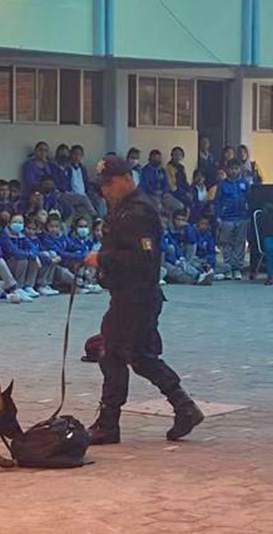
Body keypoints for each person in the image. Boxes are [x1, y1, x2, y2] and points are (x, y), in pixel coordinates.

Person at [85, 155, 203, 445]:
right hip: (130, 295)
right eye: (102, 185)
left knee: (112, 354)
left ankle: (108, 423)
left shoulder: (138, 212)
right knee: (141, 357)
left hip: (135, 297)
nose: (105, 190)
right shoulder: (123, 209)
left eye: (110, 183)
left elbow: (144, 258)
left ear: (127, 179)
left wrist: (102, 258)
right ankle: (184, 407)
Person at [211, 158, 252, 280]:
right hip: (226, 218)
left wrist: (249, 215)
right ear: (227, 170)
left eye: (236, 168)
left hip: (242, 217)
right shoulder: (222, 184)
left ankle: (237, 268)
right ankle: (227, 268)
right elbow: (217, 202)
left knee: (239, 243)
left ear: (240, 169)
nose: (234, 171)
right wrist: (217, 216)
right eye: (231, 168)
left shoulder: (245, 183)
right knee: (226, 243)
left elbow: (250, 200)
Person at [0, 213, 41, 298]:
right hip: (8, 263)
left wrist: (33, 255)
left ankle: (28, 286)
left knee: (33, 259)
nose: (18, 224)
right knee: (23, 259)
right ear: (9, 223)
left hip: (19, 260)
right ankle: (18, 287)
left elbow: (33, 248)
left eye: (20, 222)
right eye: (15, 222)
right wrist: (30, 254)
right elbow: (15, 252)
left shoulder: (22, 235)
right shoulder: (4, 235)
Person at [140, 150, 183, 216]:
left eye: (158, 158)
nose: (157, 160)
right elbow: (144, 186)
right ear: (150, 159)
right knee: (159, 208)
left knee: (179, 206)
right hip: (151, 195)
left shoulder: (162, 170)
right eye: (155, 158)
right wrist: (154, 191)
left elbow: (166, 184)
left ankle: (174, 223)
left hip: (163, 194)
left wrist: (163, 191)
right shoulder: (145, 171)